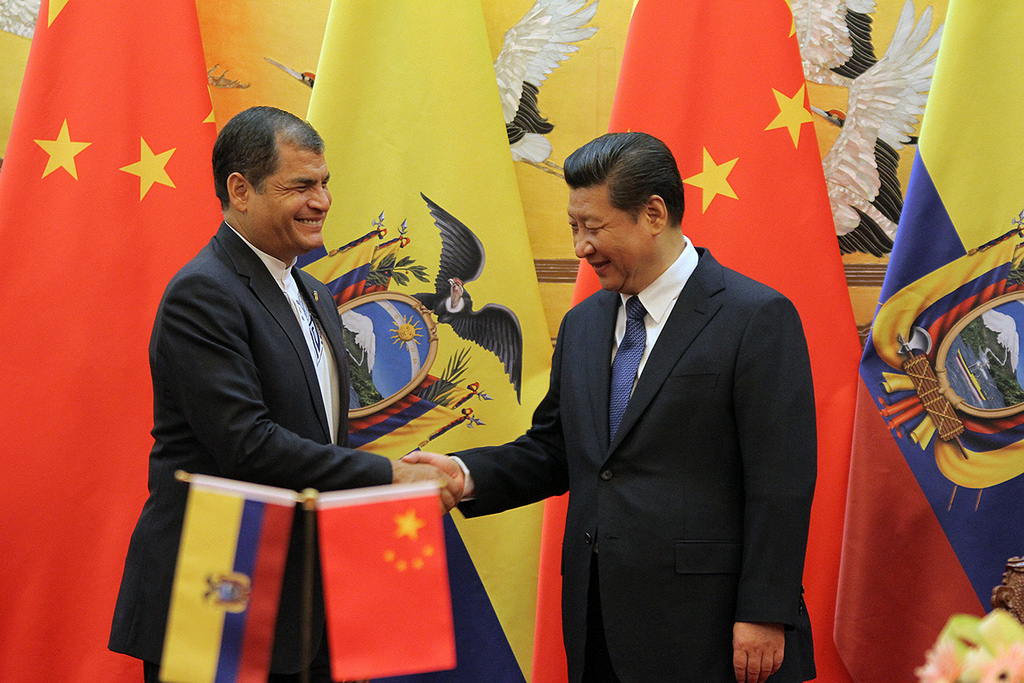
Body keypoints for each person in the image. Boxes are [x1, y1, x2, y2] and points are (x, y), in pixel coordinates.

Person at [408, 131, 817, 683]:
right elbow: (557, 449)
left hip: (712, 628)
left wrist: (765, 612)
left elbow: (782, 481)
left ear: (653, 213)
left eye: (593, 227)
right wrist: (463, 475)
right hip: (597, 617)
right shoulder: (583, 324)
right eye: (574, 228)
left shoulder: (755, 317)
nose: (580, 247)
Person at [108, 106, 459, 682]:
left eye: (324, 184)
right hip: (220, 586)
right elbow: (247, 444)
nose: (321, 201)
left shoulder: (317, 295)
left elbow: (320, 438)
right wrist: (390, 477)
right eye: (300, 186)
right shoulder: (203, 292)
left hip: (304, 599)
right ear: (239, 190)